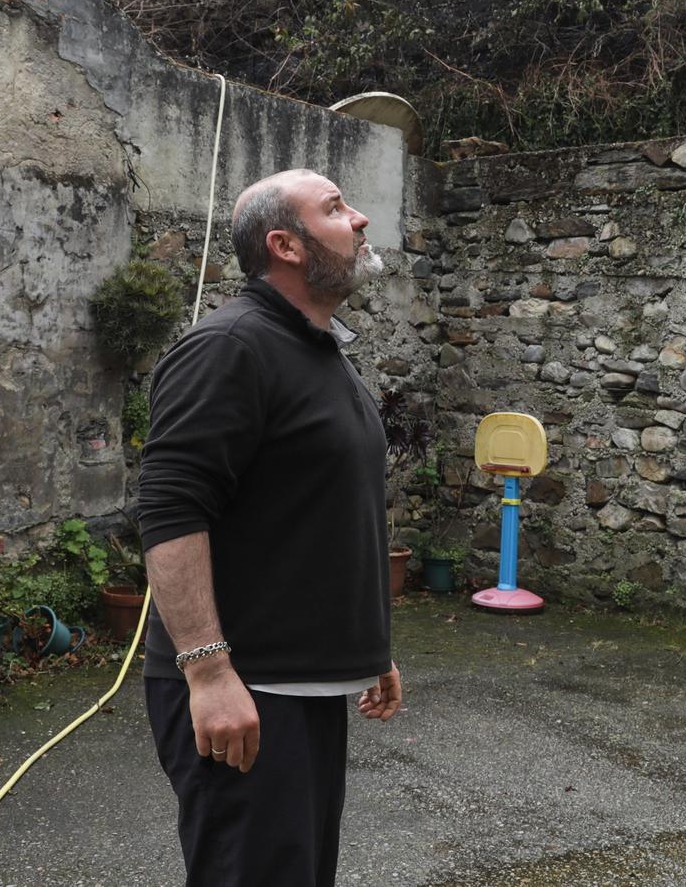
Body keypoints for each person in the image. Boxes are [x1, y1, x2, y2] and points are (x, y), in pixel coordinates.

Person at [134, 168, 403, 887]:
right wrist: (209, 669)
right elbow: (169, 508)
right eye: (337, 207)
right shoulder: (229, 347)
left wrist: (367, 642)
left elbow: (324, 510)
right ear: (284, 243)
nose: (361, 218)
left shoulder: (318, 350)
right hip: (248, 693)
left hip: (303, 688)